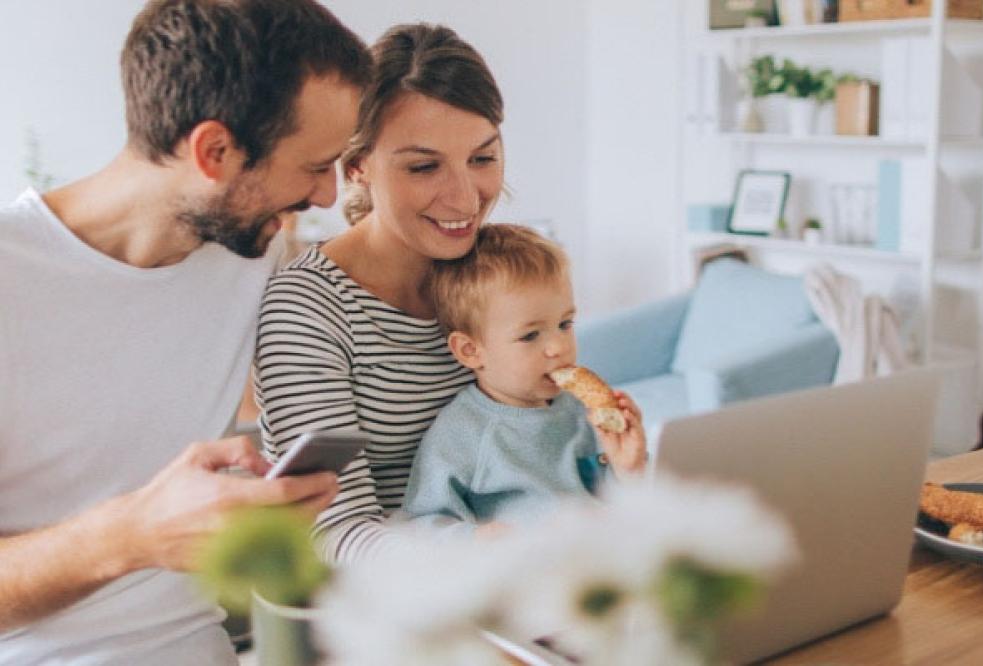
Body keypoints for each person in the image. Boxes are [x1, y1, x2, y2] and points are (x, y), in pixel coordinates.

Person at [0, 1, 370, 663]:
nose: (325, 196)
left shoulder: (253, 255)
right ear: (215, 151)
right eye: (315, 167)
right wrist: (133, 535)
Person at [254, 23, 503, 564]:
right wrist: (482, 552)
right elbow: (335, 532)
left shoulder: (499, 273)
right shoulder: (307, 308)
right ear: (357, 167)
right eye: (424, 166)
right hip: (387, 605)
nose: (465, 198)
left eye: (482, 159)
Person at [401, 224, 648, 533]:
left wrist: (627, 468)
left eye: (565, 324)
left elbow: (616, 502)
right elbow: (421, 524)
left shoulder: (579, 410)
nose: (559, 347)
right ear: (470, 350)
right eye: (530, 335)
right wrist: (474, 539)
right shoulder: (461, 434)